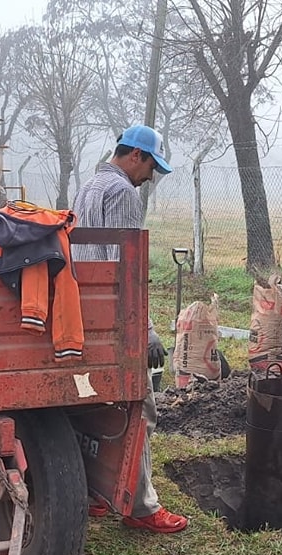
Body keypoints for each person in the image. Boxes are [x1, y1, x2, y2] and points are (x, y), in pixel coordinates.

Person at [71, 124, 188, 534]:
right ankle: (142, 508)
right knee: (141, 408)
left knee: (92, 406)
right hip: (118, 316)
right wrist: (149, 330)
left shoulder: (88, 186)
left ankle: (95, 493)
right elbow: (127, 266)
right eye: (151, 166)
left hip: (86, 309)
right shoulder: (122, 192)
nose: (150, 177)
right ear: (135, 156)